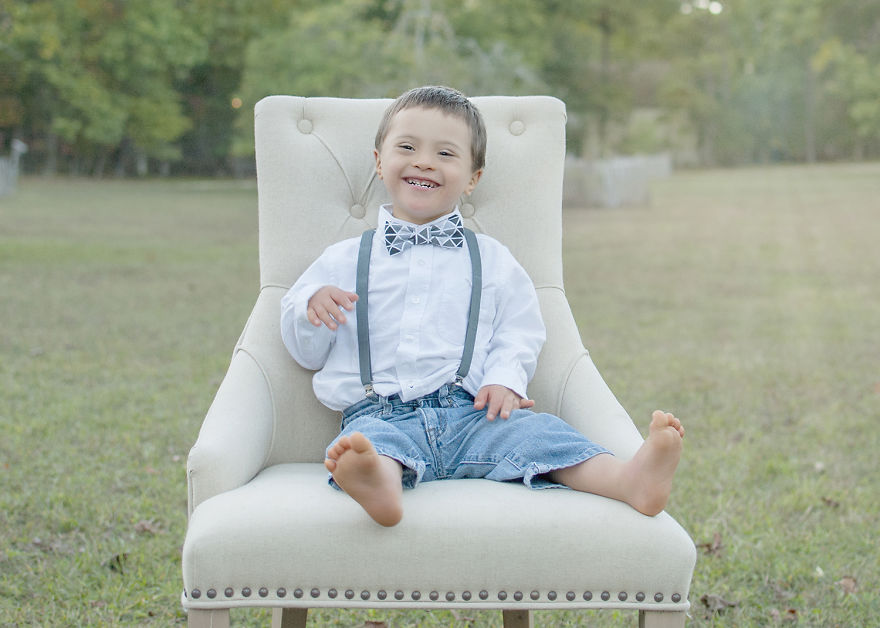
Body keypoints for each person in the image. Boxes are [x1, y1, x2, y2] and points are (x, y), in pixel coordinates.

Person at [280, 86, 684, 527]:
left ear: (473, 177)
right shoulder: (341, 260)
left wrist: (505, 379)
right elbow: (306, 352)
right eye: (408, 147)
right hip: (381, 413)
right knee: (370, 444)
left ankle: (629, 480)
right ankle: (378, 483)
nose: (424, 161)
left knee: (541, 435)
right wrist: (311, 310)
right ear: (379, 161)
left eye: (446, 154)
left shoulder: (491, 259)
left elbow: (519, 329)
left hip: (471, 414)